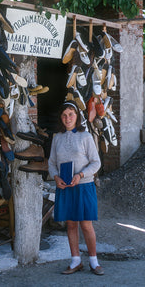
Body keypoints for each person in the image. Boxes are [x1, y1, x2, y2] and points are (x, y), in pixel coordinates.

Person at [48, 101, 104, 276]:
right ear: (61, 118)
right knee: (71, 225)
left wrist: (80, 175)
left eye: (71, 114)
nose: (67, 118)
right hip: (65, 187)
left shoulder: (85, 136)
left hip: (83, 186)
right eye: (64, 115)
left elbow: (96, 163)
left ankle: (94, 262)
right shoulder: (57, 138)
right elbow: (51, 163)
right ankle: (76, 261)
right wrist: (55, 177)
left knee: (86, 225)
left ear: (77, 117)